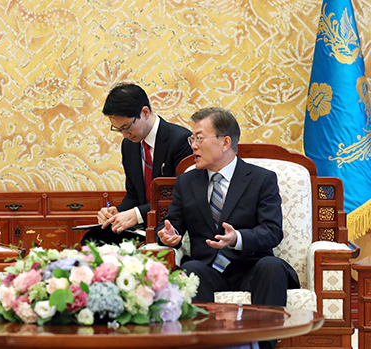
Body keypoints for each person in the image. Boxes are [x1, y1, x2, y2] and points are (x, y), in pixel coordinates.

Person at [156, 107, 299, 349]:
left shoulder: (261, 179)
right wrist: (168, 235)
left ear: (225, 142)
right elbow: (172, 225)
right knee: (190, 269)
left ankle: (264, 347)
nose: (193, 146)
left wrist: (237, 238)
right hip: (208, 269)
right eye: (192, 139)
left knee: (272, 266)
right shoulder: (186, 181)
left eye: (199, 138)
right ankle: (204, 345)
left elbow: (272, 231)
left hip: (251, 267)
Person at [80, 83, 192, 245]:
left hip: (169, 228)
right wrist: (116, 211)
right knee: (93, 240)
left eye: (127, 127)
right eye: (118, 129)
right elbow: (133, 195)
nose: (125, 135)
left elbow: (180, 198)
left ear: (145, 112)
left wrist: (137, 214)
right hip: (140, 226)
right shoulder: (129, 145)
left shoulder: (180, 140)